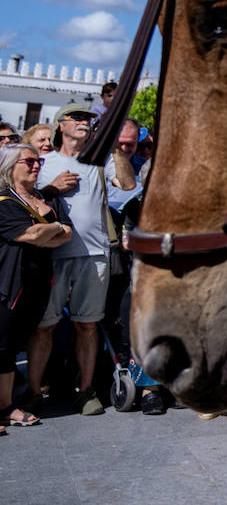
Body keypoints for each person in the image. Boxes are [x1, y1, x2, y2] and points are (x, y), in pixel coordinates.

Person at [27, 103, 136, 416]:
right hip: (52, 254)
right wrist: (50, 188)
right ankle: (35, 392)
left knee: (87, 326)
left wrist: (115, 147)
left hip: (94, 254)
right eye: (77, 118)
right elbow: (21, 198)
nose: (85, 122)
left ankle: (86, 391)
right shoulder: (43, 161)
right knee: (43, 328)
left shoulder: (101, 161)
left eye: (89, 118)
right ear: (61, 125)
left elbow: (128, 184)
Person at [0, 143, 73, 431]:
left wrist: (50, 231)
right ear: (10, 166)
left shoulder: (42, 198)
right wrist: (52, 229)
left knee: (6, 349)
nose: (36, 165)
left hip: (35, 286)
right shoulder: (5, 201)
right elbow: (31, 233)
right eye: (28, 161)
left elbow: (66, 233)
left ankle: (5, 408)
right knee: (0, 345)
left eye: (38, 161)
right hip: (7, 286)